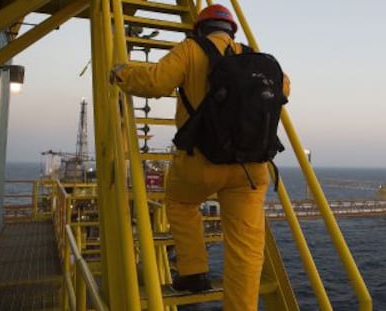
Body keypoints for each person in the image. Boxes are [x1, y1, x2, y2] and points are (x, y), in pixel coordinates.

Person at [111, 4, 290, 310]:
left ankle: (193, 271)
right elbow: (283, 87)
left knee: (181, 203)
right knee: (246, 248)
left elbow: (156, 82)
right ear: (231, 29)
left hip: (201, 161)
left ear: (200, 29)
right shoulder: (254, 57)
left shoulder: (190, 49)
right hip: (251, 166)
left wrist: (122, 73)